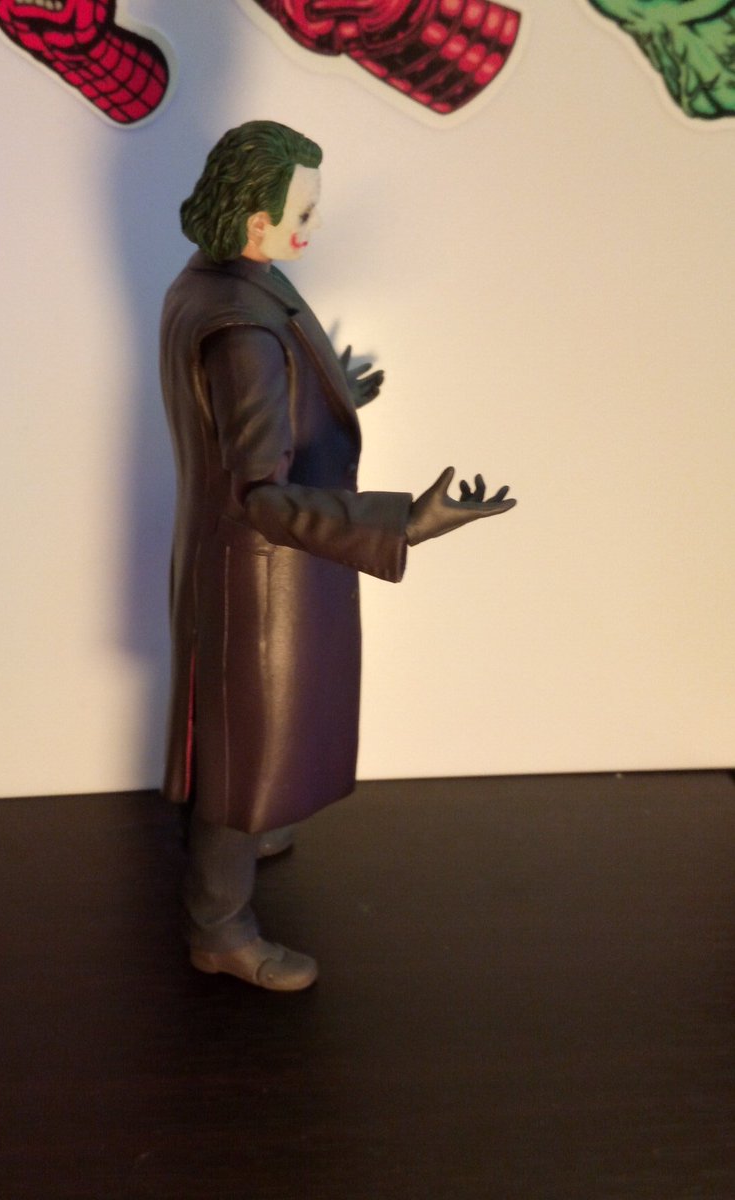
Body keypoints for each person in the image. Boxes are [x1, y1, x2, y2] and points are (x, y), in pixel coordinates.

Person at [159, 120, 515, 991]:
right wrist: (402, 522)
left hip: (234, 562)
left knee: (252, 743)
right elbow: (261, 496)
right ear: (255, 218)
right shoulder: (243, 327)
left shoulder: (209, 284)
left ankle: (251, 830)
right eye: (302, 211)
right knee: (241, 754)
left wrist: (324, 389)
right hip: (255, 576)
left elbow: (236, 410)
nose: (313, 225)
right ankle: (221, 928)